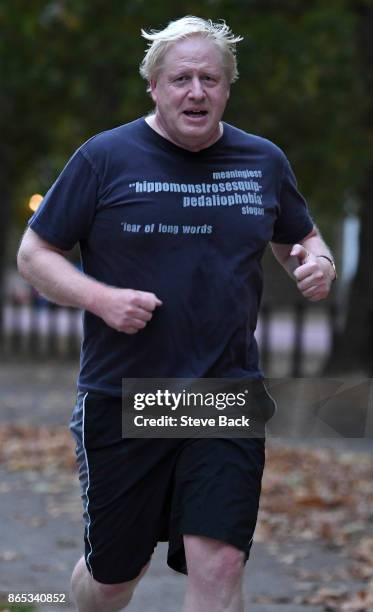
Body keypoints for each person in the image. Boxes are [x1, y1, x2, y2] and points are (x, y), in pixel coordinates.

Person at [17, 16, 336, 612]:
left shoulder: (262, 160)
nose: (196, 91)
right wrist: (99, 298)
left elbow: (302, 239)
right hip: (125, 392)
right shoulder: (103, 158)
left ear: (227, 88)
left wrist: (318, 262)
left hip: (224, 389)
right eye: (181, 78)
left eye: (210, 79)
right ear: (155, 87)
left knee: (219, 562)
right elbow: (35, 253)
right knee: (115, 575)